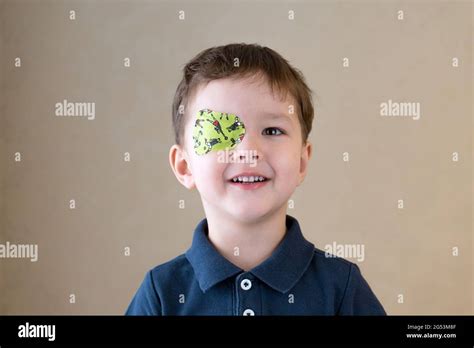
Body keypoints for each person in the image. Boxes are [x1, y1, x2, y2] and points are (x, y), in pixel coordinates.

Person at [126, 43, 386, 315]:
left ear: (301, 160)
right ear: (184, 166)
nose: (249, 151)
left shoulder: (341, 288)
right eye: (221, 131)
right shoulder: (161, 295)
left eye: (272, 130)